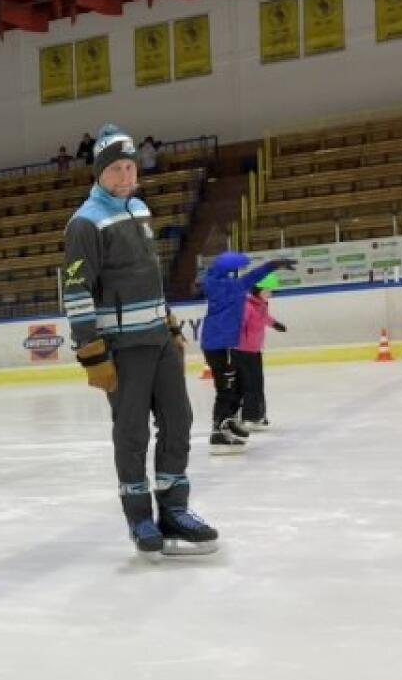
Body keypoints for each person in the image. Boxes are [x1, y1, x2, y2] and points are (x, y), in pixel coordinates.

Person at [63, 123, 218, 556]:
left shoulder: (139, 209)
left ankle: (175, 510)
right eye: (116, 168)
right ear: (99, 172)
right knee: (131, 431)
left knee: (178, 421)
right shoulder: (85, 223)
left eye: (130, 167)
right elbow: (76, 292)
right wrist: (92, 353)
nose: (125, 175)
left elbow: (149, 278)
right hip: (121, 347)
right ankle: (139, 518)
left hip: (158, 341)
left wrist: (169, 324)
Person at [201, 251, 294, 455]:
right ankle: (220, 431)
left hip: (214, 343)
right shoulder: (231, 287)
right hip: (223, 344)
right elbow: (251, 277)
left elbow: (250, 279)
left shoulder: (212, 282)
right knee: (227, 389)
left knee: (232, 386)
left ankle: (227, 423)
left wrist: (271, 265)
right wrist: (271, 265)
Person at [232, 271, 288, 431]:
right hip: (242, 352)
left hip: (254, 351)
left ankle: (258, 415)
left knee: (257, 383)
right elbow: (238, 325)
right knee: (248, 384)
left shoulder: (260, 304)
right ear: (259, 290)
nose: (271, 294)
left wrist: (275, 324)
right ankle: (248, 417)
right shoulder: (247, 306)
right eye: (268, 290)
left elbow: (264, 318)